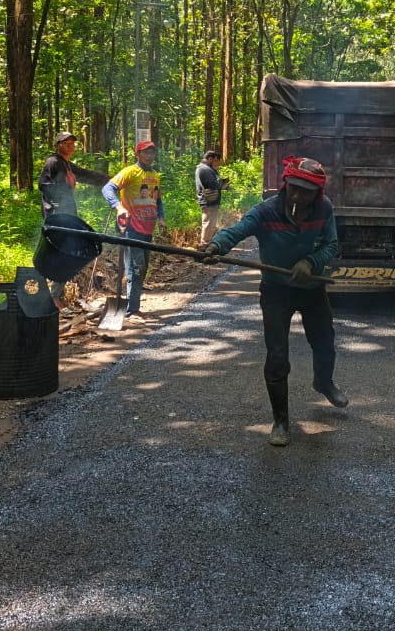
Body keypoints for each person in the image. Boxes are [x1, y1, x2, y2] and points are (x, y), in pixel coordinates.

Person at [199, 156, 343, 447]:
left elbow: (332, 244)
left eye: (306, 192)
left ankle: (324, 382)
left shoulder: (324, 209)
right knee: (277, 355)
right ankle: (280, 421)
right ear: (285, 185)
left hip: (311, 288)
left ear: (318, 194)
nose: (298, 196)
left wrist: (311, 262)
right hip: (276, 291)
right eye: (293, 189)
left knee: (325, 340)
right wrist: (216, 245)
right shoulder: (266, 211)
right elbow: (236, 230)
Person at [102, 140, 167, 320]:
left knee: (142, 268)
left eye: (152, 152)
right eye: (145, 152)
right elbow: (108, 188)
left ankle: (133, 305)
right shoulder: (130, 171)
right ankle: (132, 310)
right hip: (131, 228)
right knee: (135, 268)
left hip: (148, 229)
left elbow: (157, 199)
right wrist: (118, 207)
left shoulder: (155, 175)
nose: (149, 156)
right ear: (137, 154)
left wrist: (161, 218)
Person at [38, 131, 110, 221]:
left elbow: (86, 175)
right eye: (65, 143)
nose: (69, 145)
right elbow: (44, 184)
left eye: (72, 143)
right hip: (56, 213)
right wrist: (57, 205)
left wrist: (112, 180)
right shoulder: (53, 162)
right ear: (57, 146)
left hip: (66, 211)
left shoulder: (67, 164)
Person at [195, 150, 230, 246]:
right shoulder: (204, 169)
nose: (215, 162)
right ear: (210, 159)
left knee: (210, 225)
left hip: (210, 201)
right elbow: (213, 184)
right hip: (208, 201)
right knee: (208, 225)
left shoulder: (205, 168)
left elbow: (212, 183)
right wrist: (222, 181)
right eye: (214, 160)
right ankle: (204, 245)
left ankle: (207, 244)